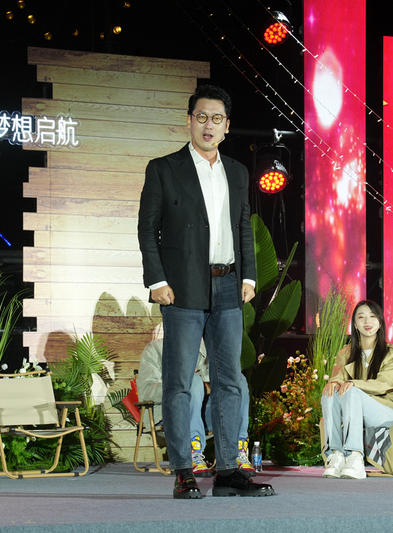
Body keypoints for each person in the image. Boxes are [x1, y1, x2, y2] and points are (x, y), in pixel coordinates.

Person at [137, 84, 274, 499]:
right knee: (179, 382)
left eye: (216, 118)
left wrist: (249, 277)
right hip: (181, 288)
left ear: (227, 126)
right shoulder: (164, 168)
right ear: (189, 121)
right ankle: (184, 471)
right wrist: (157, 281)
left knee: (230, 381)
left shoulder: (236, 171)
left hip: (229, 285)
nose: (208, 125)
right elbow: (148, 228)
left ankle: (229, 471)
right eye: (201, 117)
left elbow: (243, 226)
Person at [137, 338, 255, 477]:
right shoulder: (156, 349)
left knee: (237, 380)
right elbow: (146, 392)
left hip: (206, 414)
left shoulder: (212, 349)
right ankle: (193, 453)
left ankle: (238, 452)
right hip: (169, 415)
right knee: (191, 380)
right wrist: (180, 385)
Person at [321, 300, 393, 479]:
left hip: (386, 410)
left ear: (380, 322)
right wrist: (334, 383)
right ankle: (336, 455)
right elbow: (338, 377)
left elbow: (385, 383)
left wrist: (355, 384)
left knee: (352, 390)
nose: (367, 321)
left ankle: (355, 456)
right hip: (354, 410)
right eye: (361, 317)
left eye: (372, 316)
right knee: (329, 392)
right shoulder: (346, 353)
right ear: (355, 325)